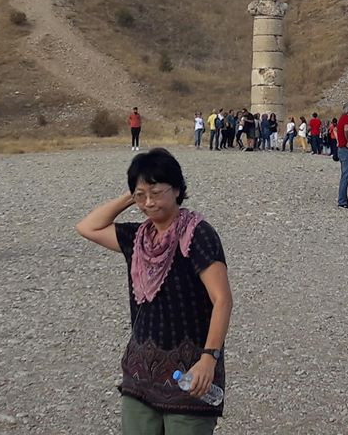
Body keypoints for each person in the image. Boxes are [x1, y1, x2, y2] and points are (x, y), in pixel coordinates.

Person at [75, 149, 232, 434]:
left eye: (157, 192)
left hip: (190, 375)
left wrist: (209, 358)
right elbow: (88, 226)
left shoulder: (198, 235)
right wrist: (133, 191)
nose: (149, 202)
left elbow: (222, 300)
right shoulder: (138, 238)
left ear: (178, 190)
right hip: (140, 375)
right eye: (141, 196)